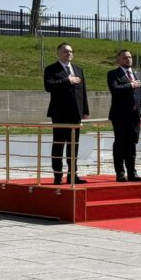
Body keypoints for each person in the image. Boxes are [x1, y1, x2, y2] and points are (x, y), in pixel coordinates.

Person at [44, 42, 89, 184]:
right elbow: (49, 86)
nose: (68, 53)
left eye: (70, 51)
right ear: (58, 53)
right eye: (65, 51)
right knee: (58, 144)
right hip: (59, 113)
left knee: (73, 145)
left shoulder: (78, 69)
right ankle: (58, 175)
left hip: (75, 114)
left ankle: (72, 175)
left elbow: (83, 92)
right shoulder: (51, 69)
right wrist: (66, 80)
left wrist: (85, 110)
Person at [107, 50, 141, 182]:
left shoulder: (137, 74)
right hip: (119, 116)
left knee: (132, 144)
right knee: (120, 144)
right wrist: (131, 85)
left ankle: (132, 172)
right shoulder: (113, 74)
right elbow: (115, 89)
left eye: (130, 57)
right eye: (124, 58)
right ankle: (120, 173)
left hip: (135, 116)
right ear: (118, 60)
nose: (128, 59)